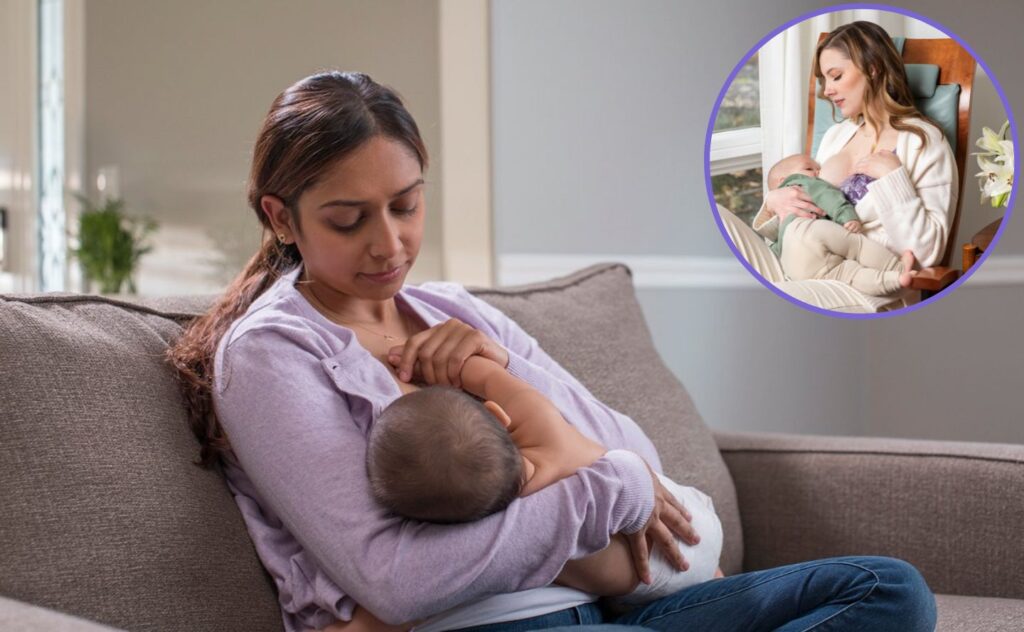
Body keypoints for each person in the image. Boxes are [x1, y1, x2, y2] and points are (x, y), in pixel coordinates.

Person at [167, 71, 937, 632]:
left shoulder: (453, 313)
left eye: (405, 205)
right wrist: (608, 494)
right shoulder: (271, 354)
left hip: (610, 606)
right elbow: (399, 581)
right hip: (495, 627)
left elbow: (629, 447)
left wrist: (501, 384)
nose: (390, 242)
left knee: (889, 590)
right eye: (347, 219)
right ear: (282, 217)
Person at [366, 356, 724, 609]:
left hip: (649, 582)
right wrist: (459, 366)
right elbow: (490, 376)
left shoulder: (499, 517)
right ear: (496, 413)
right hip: (688, 519)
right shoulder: (545, 428)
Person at [753, 21, 958, 278]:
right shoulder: (835, 135)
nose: (826, 91)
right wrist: (774, 202)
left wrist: (894, 180)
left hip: (866, 281)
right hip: (808, 266)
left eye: (836, 76)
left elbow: (926, 253)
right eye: (823, 79)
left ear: (872, 69)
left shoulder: (924, 141)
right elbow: (805, 221)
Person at [765, 153, 917, 296]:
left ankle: (895, 280)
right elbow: (828, 197)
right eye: (809, 168)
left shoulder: (782, 214)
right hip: (812, 230)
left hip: (796, 268)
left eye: (818, 168)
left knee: (850, 275)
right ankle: (897, 269)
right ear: (783, 180)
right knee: (858, 247)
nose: (818, 172)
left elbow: (778, 244)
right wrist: (847, 217)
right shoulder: (800, 183)